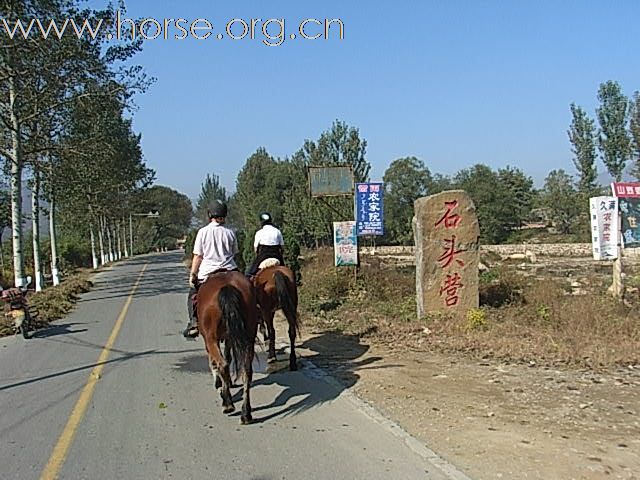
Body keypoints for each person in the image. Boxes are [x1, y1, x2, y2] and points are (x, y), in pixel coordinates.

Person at [183, 200, 239, 338]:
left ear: (210, 214)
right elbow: (234, 253)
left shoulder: (202, 232)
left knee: (192, 295)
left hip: (208, 271)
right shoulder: (230, 232)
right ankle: (256, 316)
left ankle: (194, 322)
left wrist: (193, 274)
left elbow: (198, 256)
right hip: (230, 270)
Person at [245, 212, 285, 278]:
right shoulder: (278, 231)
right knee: (286, 273)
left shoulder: (259, 233)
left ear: (261, 222)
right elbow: (282, 247)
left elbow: (255, 249)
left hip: (263, 256)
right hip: (277, 256)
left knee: (249, 273)